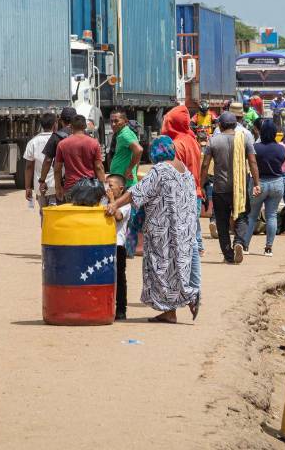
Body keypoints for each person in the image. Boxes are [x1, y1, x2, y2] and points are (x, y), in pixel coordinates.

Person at [106, 137, 201, 324]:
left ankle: (190, 296)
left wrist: (115, 203)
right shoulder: (185, 170)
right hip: (183, 231)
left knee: (161, 270)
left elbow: (137, 192)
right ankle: (170, 312)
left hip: (163, 231)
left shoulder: (160, 170)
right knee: (174, 270)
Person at [202, 112, 261, 264]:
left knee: (222, 222)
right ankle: (239, 242)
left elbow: (205, 164)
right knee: (242, 216)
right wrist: (256, 183)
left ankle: (228, 255)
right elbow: (253, 162)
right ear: (235, 125)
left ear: (220, 126)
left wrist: (201, 185)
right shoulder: (244, 139)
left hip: (220, 188)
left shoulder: (213, 140)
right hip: (239, 188)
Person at [161, 105, 205, 287]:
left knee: (188, 243)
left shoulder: (177, 144)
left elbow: (173, 176)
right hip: (194, 193)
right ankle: (191, 286)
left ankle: (192, 286)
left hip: (183, 197)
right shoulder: (191, 139)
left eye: (167, 121)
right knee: (190, 241)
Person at [247, 119, 285, 257]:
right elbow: (282, 161)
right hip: (277, 183)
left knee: (252, 215)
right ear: (275, 133)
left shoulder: (255, 148)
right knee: (271, 215)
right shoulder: (281, 149)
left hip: (259, 183)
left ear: (261, 132)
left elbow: (252, 163)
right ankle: (268, 248)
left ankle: (245, 246)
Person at [54, 114, 106, 201]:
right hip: (90, 187)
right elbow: (99, 167)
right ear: (85, 126)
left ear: (71, 126)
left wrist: (58, 187)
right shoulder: (94, 143)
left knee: (72, 210)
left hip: (71, 187)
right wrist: (103, 186)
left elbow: (57, 169)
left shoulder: (62, 144)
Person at [106, 174, 132, 320]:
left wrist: (112, 201)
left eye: (110, 186)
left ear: (121, 189)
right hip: (104, 245)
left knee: (120, 279)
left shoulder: (125, 205)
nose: (107, 188)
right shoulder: (103, 201)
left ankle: (121, 309)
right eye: (106, 185)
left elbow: (118, 216)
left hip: (118, 246)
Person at [37, 106, 77, 195]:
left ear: (61, 121)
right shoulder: (86, 136)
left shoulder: (56, 137)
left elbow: (48, 160)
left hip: (67, 184)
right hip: (86, 183)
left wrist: (42, 180)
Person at [24, 113, 58, 213]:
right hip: (56, 186)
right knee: (56, 215)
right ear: (55, 124)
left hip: (40, 187)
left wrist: (28, 187)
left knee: (44, 214)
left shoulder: (33, 142)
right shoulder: (59, 140)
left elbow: (29, 166)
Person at [108, 109, 143, 187]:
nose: (113, 124)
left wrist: (129, 169)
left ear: (125, 121)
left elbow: (139, 150)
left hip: (125, 184)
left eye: (116, 121)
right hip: (123, 181)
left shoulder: (124, 135)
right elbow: (136, 155)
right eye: (111, 121)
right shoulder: (123, 133)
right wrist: (133, 171)